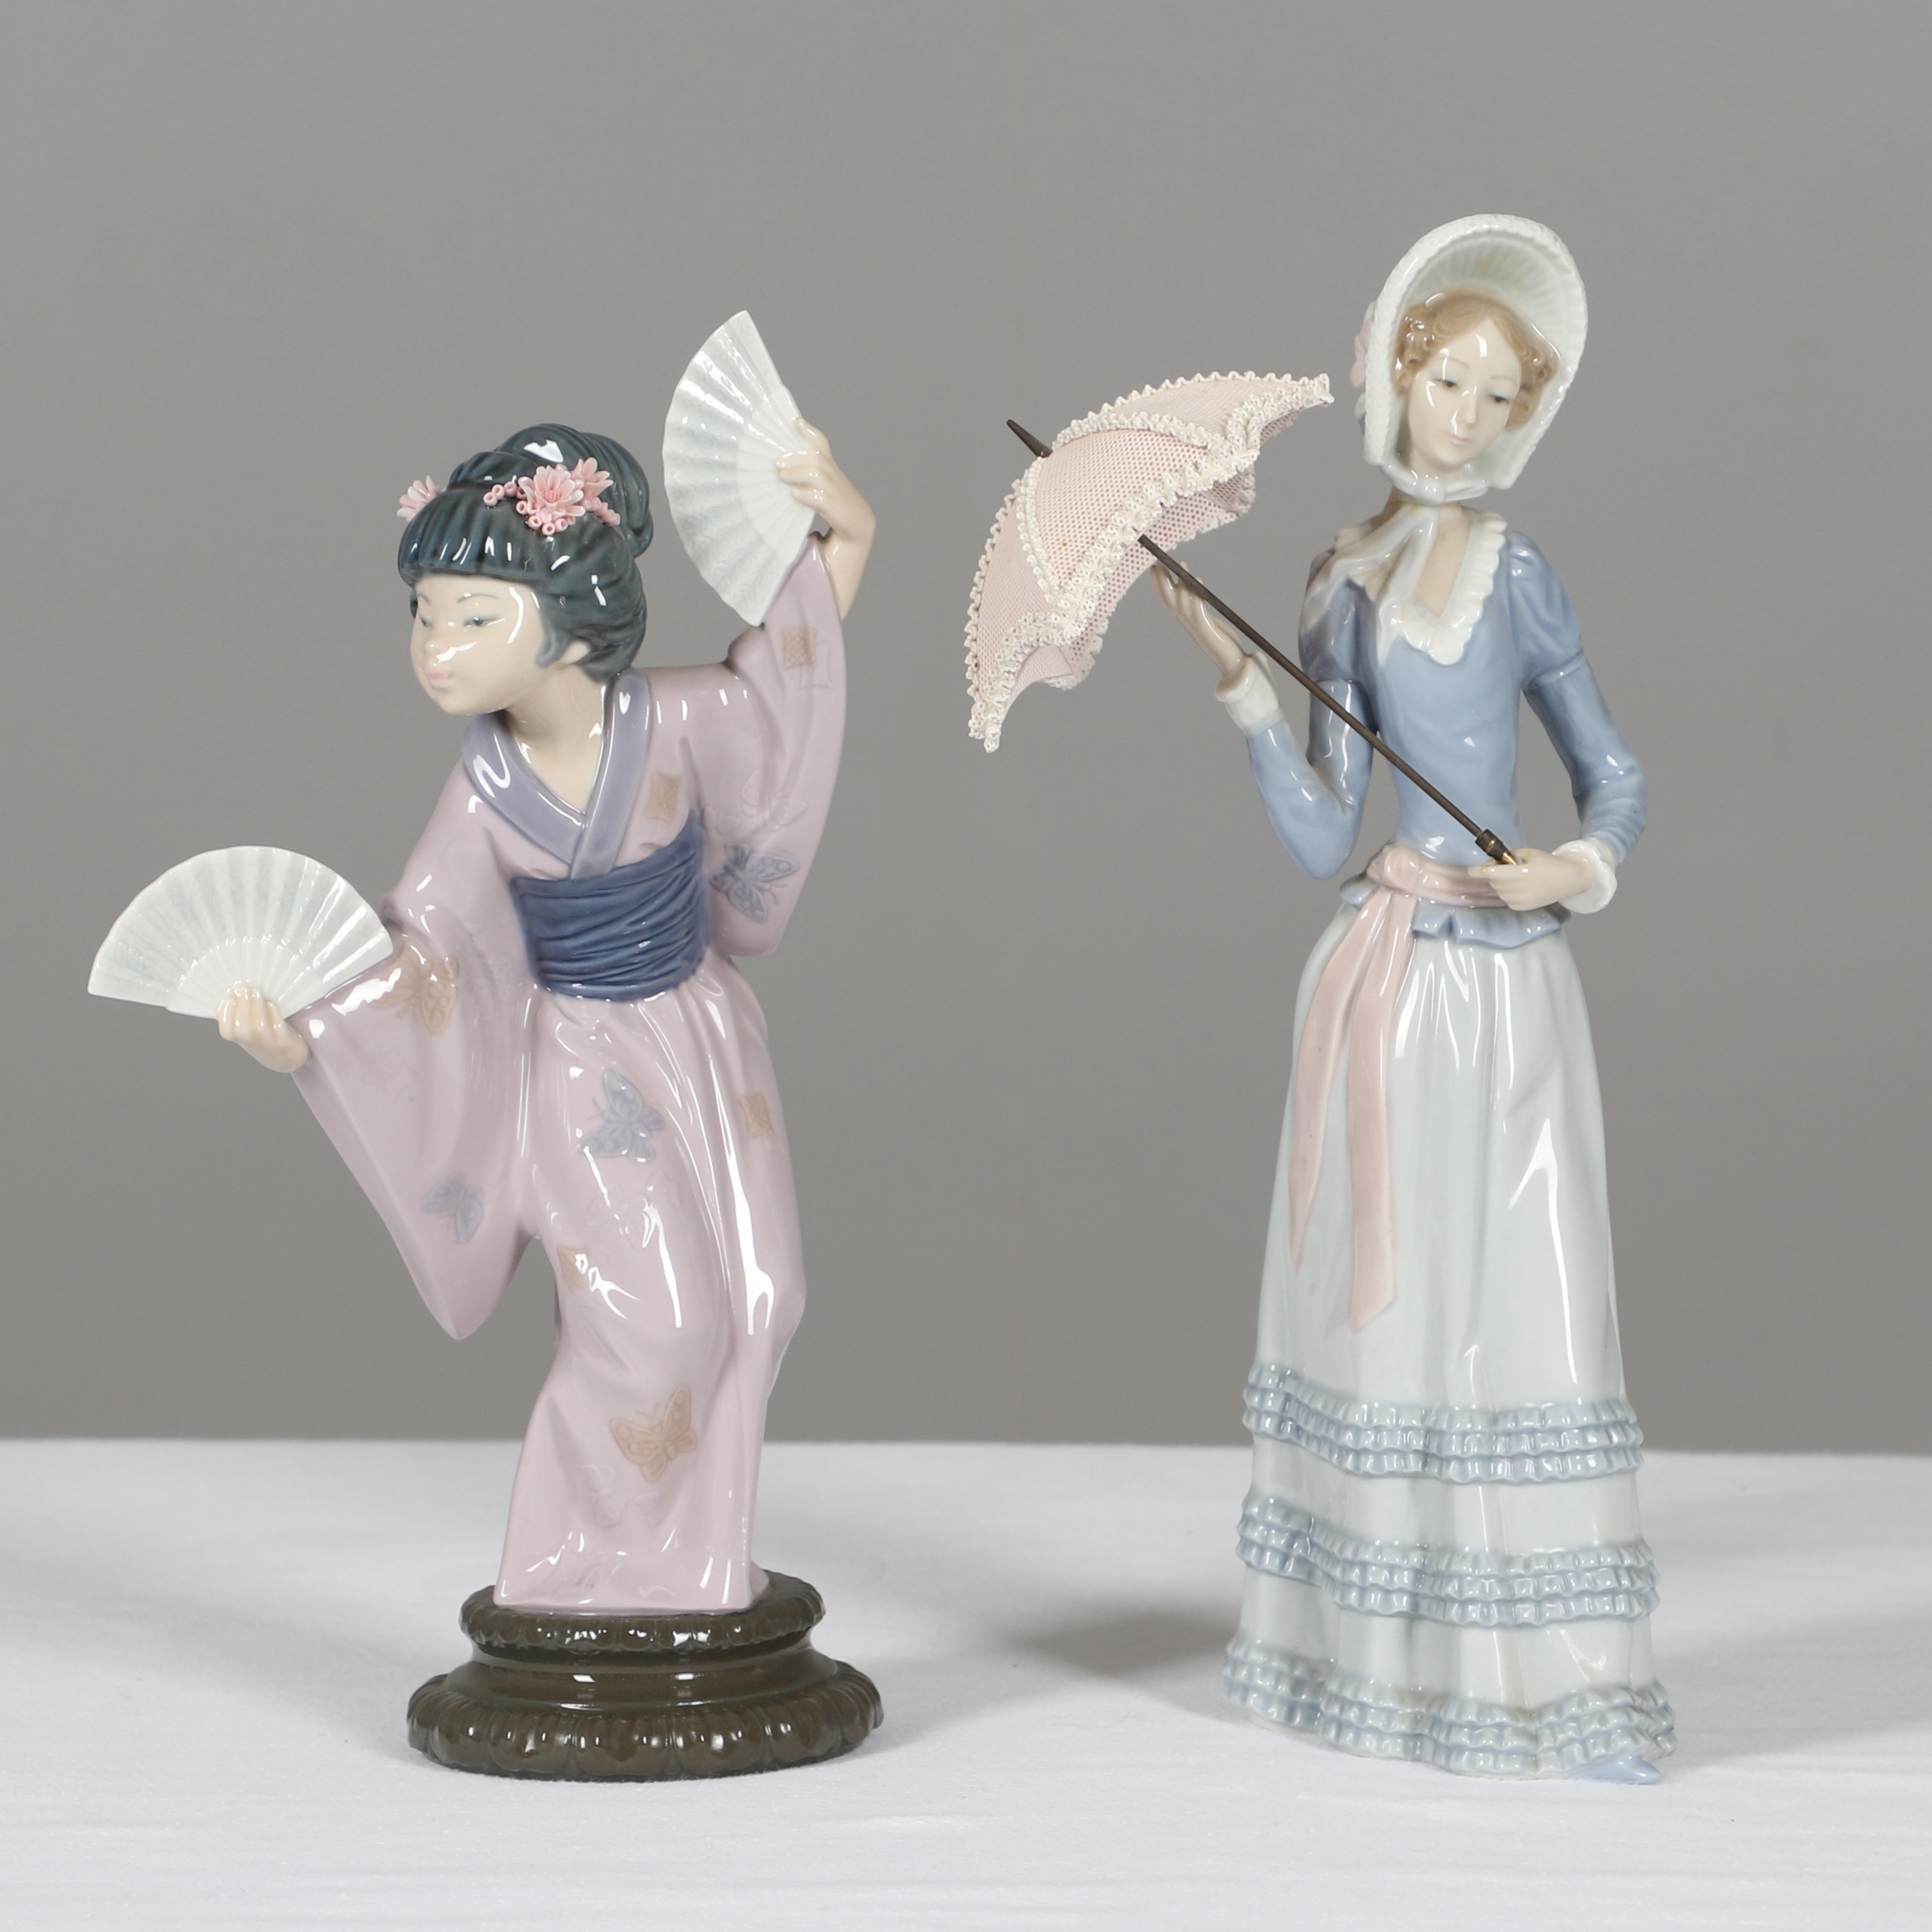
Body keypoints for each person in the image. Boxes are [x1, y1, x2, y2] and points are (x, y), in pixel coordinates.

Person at [1154, 217, 1672, 1779]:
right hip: (1388, 986)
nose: (1472, 415)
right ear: (1397, 375)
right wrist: (1244, 690)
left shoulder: (1520, 575)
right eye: (1452, 383)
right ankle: (1378, 1664)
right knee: (1389, 1313)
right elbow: (1326, 833)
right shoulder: (1342, 580)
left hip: (1505, 991)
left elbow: (1614, 772)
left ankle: (1543, 1675)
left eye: (1502, 396)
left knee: (1519, 1302)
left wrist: (1573, 867)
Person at [219, 419, 873, 1613]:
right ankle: (574, 1567)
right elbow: (422, 951)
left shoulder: (675, 719)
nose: (435, 647)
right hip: (580, 1060)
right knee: (654, 1322)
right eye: (424, 614)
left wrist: (851, 532)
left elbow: (786, 684)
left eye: (472, 618)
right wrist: (307, 1031)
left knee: (761, 1292)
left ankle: (692, 1566)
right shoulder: (483, 790)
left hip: (705, 1036)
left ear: (573, 619)